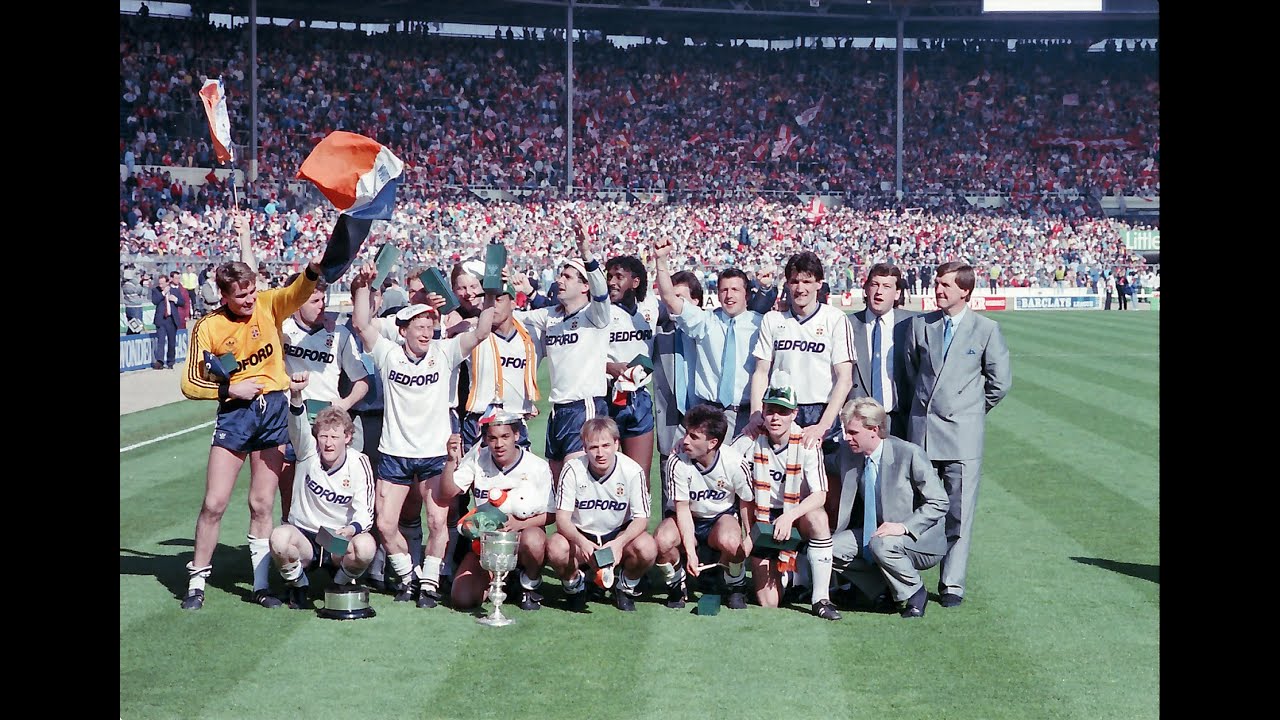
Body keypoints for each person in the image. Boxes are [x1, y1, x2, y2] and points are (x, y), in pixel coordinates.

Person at [178, 212, 321, 610]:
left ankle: (261, 585)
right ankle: (196, 582)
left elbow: (297, 290)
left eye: (252, 292)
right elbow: (190, 383)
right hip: (236, 414)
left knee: (262, 504)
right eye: (241, 296)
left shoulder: (269, 305)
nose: (249, 300)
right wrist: (230, 388)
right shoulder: (208, 327)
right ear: (224, 295)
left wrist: (312, 269)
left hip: (274, 410)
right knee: (214, 502)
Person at [350, 262, 496, 609]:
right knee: (385, 524)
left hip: (434, 452)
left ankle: (429, 582)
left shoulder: (444, 354)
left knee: (437, 520)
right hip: (395, 452)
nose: (426, 332)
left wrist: (489, 293)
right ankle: (408, 577)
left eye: (430, 326)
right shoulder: (387, 355)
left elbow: (481, 331)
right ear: (403, 330)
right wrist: (362, 286)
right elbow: (360, 323)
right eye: (419, 326)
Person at [903, 261, 1012, 608]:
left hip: (962, 436)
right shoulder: (921, 325)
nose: (939, 290)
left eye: (946, 285)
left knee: (958, 511)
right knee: (918, 507)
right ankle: (909, 577)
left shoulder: (986, 329)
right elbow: (909, 374)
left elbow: (1000, 382)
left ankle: (952, 583)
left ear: (965, 291)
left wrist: (970, 411)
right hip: (922, 434)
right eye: (937, 283)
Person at [729, 376, 841, 620]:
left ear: (794, 414)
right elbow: (725, 467)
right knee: (769, 603)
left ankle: (820, 598)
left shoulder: (807, 443)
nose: (775, 418)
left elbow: (820, 494)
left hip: (794, 514)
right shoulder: (750, 439)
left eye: (783, 411)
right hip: (762, 517)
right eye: (770, 411)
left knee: (818, 519)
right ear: (763, 412)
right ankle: (792, 577)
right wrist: (750, 533)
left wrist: (789, 517)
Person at [829, 397, 948, 619]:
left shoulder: (909, 454)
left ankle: (915, 593)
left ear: (874, 429)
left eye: (853, 432)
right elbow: (824, 462)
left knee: (881, 543)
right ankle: (881, 591)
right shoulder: (848, 454)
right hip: (876, 536)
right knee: (829, 549)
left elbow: (939, 502)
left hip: (920, 539)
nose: (846, 438)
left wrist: (904, 527)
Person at [269, 373, 377, 610]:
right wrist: (296, 395)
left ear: (347, 437)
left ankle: (339, 583)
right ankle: (298, 584)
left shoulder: (359, 463)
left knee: (366, 546)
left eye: (335, 437)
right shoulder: (308, 452)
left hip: (338, 540)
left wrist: (351, 530)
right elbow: (297, 427)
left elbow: (365, 513)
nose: (328, 443)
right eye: (324, 436)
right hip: (305, 536)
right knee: (279, 539)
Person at [515, 219, 610, 483]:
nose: (559, 280)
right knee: (556, 485)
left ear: (584, 286)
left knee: (576, 482)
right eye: (560, 275)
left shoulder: (595, 315)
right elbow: (510, 318)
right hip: (557, 411)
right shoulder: (551, 317)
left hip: (584, 407)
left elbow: (602, 292)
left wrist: (586, 254)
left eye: (567, 277)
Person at [747, 250, 854, 472]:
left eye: (807, 281)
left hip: (821, 411)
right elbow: (760, 372)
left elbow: (844, 379)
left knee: (826, 491)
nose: (800, 288)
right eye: (795, 281)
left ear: (819, 284)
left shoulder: (835, 319)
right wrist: (756, 413)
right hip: (782, 410)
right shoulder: (773, 320)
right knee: (781, 487)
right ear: (787, 284)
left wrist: (823, 426)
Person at [438, 411, 554, 611]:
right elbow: (448, 492)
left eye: (505, 437)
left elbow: (551, 515)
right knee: (462, 599)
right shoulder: (478, 458)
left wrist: (519, 524)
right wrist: (450, 461)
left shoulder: (537, 466)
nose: (499, 444)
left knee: (534, 540)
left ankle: (528, 583)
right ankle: (499, 582)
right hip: (486, 545)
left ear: (516, 436)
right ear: (485, 439)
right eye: (492, 438)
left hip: (521, 538)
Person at [278, 274, 370, 522]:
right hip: (292, 421)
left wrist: (344, 404)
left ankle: (335, 550)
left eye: (323, 299)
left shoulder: (339, 334)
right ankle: (292, 547)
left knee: (334, 492)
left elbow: (362, 382)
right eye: (314, 301)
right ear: (296, 303)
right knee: (290, 491)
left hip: (327, 424)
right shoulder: (281, 331)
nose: (322, 306)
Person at [653, 236, 763, 440]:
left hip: (747, 415)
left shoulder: (762, 324)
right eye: (724, 290)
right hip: (709, 414)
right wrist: (661, 261)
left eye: (735, 290)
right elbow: (669, 298)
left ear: (747, 295)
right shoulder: (705, 320)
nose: (729, 295)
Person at [547, 417, 656, 612]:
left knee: (647, 548)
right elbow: (562, 520)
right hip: (582, 535)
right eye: (593, 447)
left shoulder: (632, 470)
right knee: (556, 547)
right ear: (584, 447)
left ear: (617, 444)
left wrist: (619, 544)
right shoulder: (572, 469)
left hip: (617, 535)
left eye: (606, 445)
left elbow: (642, 519)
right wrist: (583, 542)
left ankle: (626, 586)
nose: (600, 453)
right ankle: (575, 585)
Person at [653, 405, 753, 610]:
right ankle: (677, 583)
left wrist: (749, 539)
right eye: (686, 434)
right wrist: (691, 553)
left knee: (733, 542)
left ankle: (735, 583)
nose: (685, 441)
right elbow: (682, 510)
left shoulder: (735, 462)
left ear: (712, 443)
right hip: (688, 516)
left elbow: (745, 502)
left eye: (694, 436)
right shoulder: (677, 461)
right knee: (662, 541)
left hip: (720, 518)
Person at [603, 254, 658, 490]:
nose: (612, 282)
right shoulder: (599, 312)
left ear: (635, 282)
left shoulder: (651, 307)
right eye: (610, 277)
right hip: (606, 397)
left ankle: (638, 526)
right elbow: (579, 355)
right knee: (604, 476)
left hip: (639, 397)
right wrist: (608, 367)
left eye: (619, 277)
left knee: (639, 479)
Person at [847, 263, 918, 440]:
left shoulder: (913, 324)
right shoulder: (846, 324)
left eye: (887, 287)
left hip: (900, 421)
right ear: (866, 289)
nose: (879, 292)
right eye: (875, 285)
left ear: (897, 293)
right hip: (859, 422)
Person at [151, 273, 185, 369]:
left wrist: (176, 300)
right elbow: (155, 301)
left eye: (163, 283)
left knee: (171, 342)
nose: (161, 286)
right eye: (160, 284)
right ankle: (160, 361)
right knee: (161, 341)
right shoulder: (156, 291)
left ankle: (171, 362)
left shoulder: (175, 290)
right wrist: (163, 293)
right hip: (161, 320)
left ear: (167, 282)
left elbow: (182, 303)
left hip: (171, 319)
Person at [122, 268, 148, 335]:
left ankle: (129, 339)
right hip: (135, 308)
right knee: (137, 328)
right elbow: (144, 292)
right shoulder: (133, 285)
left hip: (129, 307)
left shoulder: (124, 284)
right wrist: (145, 284)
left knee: (132, 326)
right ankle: (130, 340)